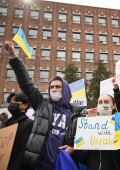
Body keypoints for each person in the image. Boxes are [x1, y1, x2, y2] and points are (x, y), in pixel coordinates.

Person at [3, 41, 83, 170]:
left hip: (62, 166)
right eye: (51, 87)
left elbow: (84, 141)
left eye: (58, 87)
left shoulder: (78, 114)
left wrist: (75, 148)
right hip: (38, 165)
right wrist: (14, 57)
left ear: (66, 90)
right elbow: (26, 83)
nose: (54, 90)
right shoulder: (42, 105)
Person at [79, 94, 120, 170]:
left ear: (114, 106)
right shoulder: (89, 126)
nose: (102, 105)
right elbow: (83, 160)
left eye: (106, 102)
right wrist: (82, 146)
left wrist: (119, 147)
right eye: (100, 102)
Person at [0, 92, 33, 170]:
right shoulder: (5, 123)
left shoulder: (29, 124)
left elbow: (24, 152)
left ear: (25, 105)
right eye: (10, 102)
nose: (11, 104)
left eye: (15, 101)